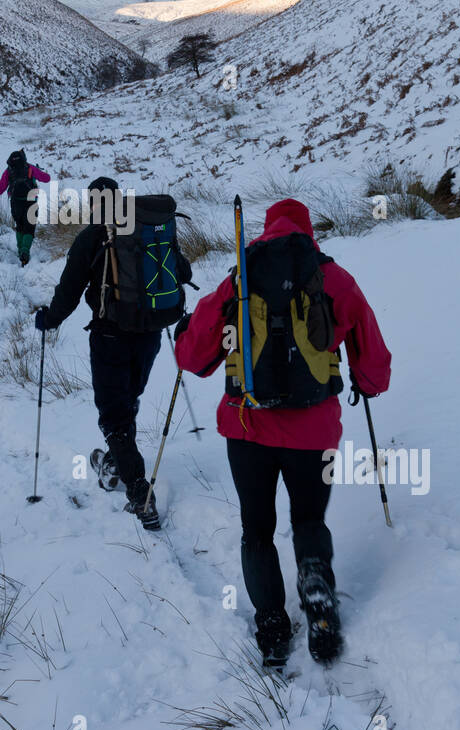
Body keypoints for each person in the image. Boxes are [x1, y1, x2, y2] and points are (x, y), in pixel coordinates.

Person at [174, 197, 391, 667]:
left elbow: (194, 358)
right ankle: (315, 580)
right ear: (308, 231)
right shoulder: (333, 278)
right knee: (309, 521)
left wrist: (184, 333)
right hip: (313, 432)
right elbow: (375, 361)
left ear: (266, 229)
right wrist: (368, 385)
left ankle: (272, 625)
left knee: (257, 530)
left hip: (247, 427)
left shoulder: (240, 277)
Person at [34, 177, 192, 530]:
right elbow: (183, 271)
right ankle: (118, 463)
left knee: (112, 414)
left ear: (94, 204)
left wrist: (50, 319)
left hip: (111, 336)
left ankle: (138, 492)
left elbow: (70, 289)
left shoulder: (94, 236)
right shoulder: (148, 231)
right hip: (150, 332)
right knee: (127, 399)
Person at [0, 149, 51, 265]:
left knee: (20, 226)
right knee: (29, 227)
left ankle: (21, 251)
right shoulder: (30, 168)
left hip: (15, 202)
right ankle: (25, 251)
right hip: (31, 201)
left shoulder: (8, 171)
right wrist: (41, 172)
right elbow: (46, 178)